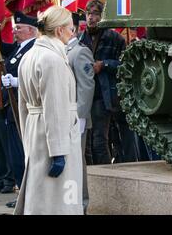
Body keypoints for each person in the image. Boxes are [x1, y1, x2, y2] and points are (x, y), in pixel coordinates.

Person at [15, 6, 83, 215]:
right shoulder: (52, 60)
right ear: (59, 30)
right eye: (71, 29)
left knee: (40, 198)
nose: (73, 34)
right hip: (56, 138)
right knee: (61, 201)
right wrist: (59, 152)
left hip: (37, 133)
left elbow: (23, 108)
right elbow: (55, 108)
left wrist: (27, 139)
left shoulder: (29, 56)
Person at [79, 0, 138, 164]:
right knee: (88, 141)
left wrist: (104, 65)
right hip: (86, 96)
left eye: (95, 14)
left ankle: (105, 173)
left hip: (107, 96)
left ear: (102, 16)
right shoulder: (80, 39)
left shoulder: (115, 38)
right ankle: (93, 174)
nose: (91, 17)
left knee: (101, 139)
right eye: (88, 14)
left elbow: (126, 66)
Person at [0, 12, 38, 208]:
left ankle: (28, 194)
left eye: (18, 27)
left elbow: (33, 76)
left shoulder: (33, 48)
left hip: (22, 109)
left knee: (23, 154)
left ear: (31, 30)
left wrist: (15, 82)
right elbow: (5, 52)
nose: (14, 30)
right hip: (10, 109)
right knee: (14, 156)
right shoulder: (19, 48)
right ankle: (22, 192)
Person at [67, 13, 95, 214]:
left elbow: (86, 87)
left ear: (74, 28)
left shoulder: (79, 52)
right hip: (65, 117)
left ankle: (81, 204)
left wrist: (82, 116)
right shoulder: (62, 50)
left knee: (76, 162)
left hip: (76, 117)